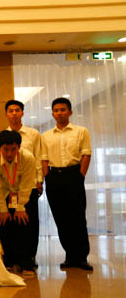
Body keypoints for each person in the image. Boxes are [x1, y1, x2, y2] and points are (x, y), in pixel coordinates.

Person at [42, 97, 92, 270]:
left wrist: (80, 176)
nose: (59, 113)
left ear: (70, 112)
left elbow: (86, 154)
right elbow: (44, 158)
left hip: (74, 175)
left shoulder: (81, 131)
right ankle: (70, 256)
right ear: (52, 114)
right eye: (56, 110)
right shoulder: (46, 136)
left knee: (78, 218)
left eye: (63, 110)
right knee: (61, 219)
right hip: (54, 177)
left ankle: (82, 257)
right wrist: (47, 177)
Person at [0, 130, 37, 275]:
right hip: (3, 194)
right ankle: (7, 260)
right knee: (4, 224)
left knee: (24, 223)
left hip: (23, 193)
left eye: (13, 149)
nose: (9, 153)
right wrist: (2, 209)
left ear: (19, 147)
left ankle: (26, 261)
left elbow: (27, 184)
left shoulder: (28, 158)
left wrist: (21, 207)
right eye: (5, 149)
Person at [5, 99, 43, 266]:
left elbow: (38, 157)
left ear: (22, 113)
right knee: (12, 222)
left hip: (30, 185)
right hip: (10, 187)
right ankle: (13, 256)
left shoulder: (33, 134)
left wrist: (40, 180)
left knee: (30, 222)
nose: (14, 113)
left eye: (17, 110)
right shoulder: (2, 135)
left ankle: (29, 256)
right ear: (6, 114)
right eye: (11, 111)